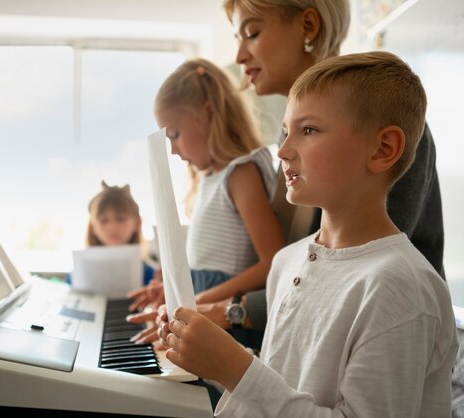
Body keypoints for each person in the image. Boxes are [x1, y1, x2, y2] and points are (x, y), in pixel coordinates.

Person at [158, 50, 458, 417]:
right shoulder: (288, 262)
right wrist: (209, 355)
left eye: (309, 130)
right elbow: (282, 388)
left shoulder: (400, 288)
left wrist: (234, 367)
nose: (283, 150)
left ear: (383, 149)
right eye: (285, 131)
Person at [129, 0, 447, 342]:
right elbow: (293, 264)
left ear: (308, 26)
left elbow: (350, 276)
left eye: (251, 34)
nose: (239, 57)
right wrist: (184, 289)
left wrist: (223, 309)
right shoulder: (286, 142)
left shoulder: (381, 120)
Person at [129, 57, 285, 324]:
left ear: (208, 112)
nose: (173, 151)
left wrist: (199, 301)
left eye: (175, 135)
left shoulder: (240, 174)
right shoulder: (210, 179)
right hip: (204, 313)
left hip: (227, 320)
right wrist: (175, 290)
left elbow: (273, 261)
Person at [65, 180, 156, 287]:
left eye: (121, 219)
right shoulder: (78, 275)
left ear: (136, 223)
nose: (112, 227)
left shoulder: (153, 277)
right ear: (93, 227)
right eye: (104, 220)